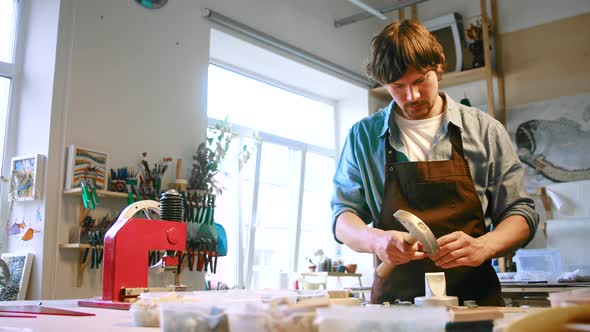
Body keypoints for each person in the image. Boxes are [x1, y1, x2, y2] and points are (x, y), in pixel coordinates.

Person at [331, 19, 539, 306]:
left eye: (420, 80)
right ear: (383, 84)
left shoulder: (485, 131)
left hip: (474, 303)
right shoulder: (363, 136)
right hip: (394, 305)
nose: (411, 96)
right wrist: (376, 241)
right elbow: (343, 218)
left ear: (438, 68)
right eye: (398, 86)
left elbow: (522, 213)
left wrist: (484, 246)